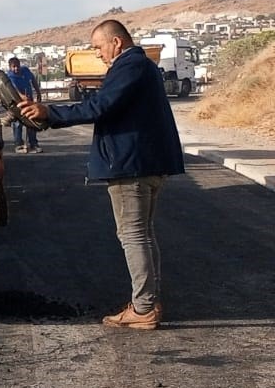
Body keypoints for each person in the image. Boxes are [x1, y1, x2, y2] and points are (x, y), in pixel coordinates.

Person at [16, 18, 184, 329]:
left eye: (98, 47)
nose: (98, 54)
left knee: (133, 236)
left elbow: (99, 107)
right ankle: (148, 302)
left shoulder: (129, 65)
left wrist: (49, 113)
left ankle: (144, 307)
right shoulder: (141, 66)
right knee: (143, 235)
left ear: (116, 42)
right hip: (145, 163)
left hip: (131, 166)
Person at [5, 56, 40, 152]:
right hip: (16, 103)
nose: (16, 69)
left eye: (17, 66)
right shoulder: (9, 76)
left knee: (32, 121)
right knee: (17, 124)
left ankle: (33, 144)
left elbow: (33, 80)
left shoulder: (25, 70)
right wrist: (21, 96)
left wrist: (38, 92)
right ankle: (18, 145)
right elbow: (14, 88)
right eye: (14, 67)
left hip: (29, 101)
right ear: (10, 67)